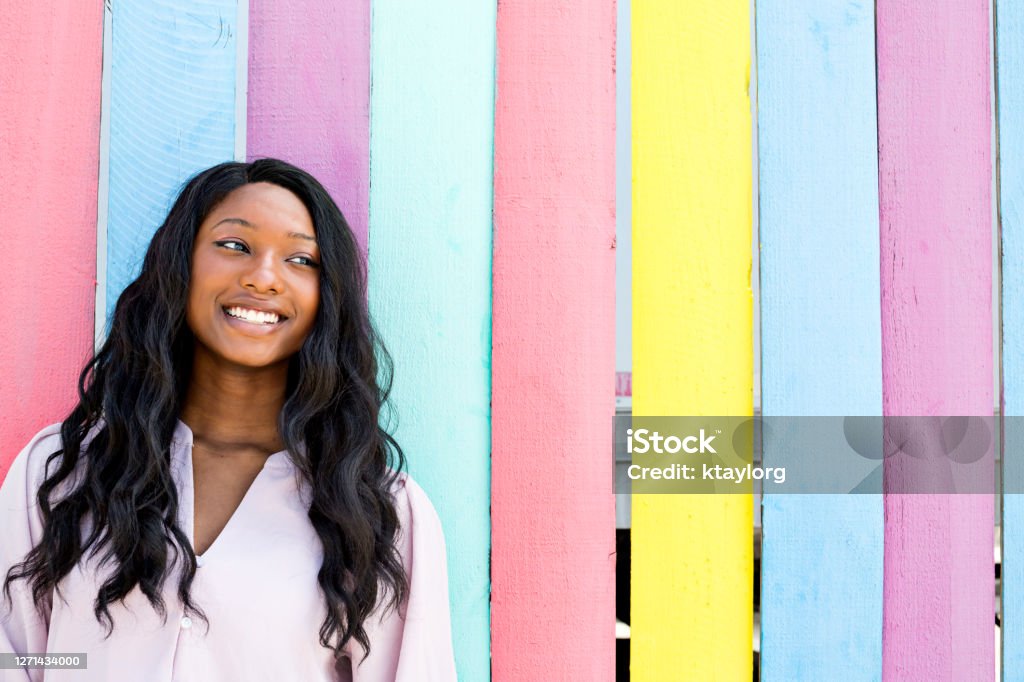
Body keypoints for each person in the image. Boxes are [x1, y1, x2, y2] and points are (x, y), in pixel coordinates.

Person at [0, 159, 458, 681]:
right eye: (235, 246)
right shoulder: (58, 475)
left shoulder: (378, 511)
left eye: (300, 259)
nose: (263, 277)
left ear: (324, 298)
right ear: (181, 265)